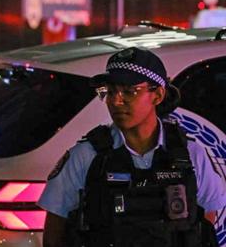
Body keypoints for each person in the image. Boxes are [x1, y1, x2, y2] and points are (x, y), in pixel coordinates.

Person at [38, 47, 226, 247]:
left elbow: (205, 224)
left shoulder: (190, 154)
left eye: (129, 92)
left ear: (158, 95)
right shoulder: (86, 156)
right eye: (110, 92)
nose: (116, 101)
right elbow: (54, 234)